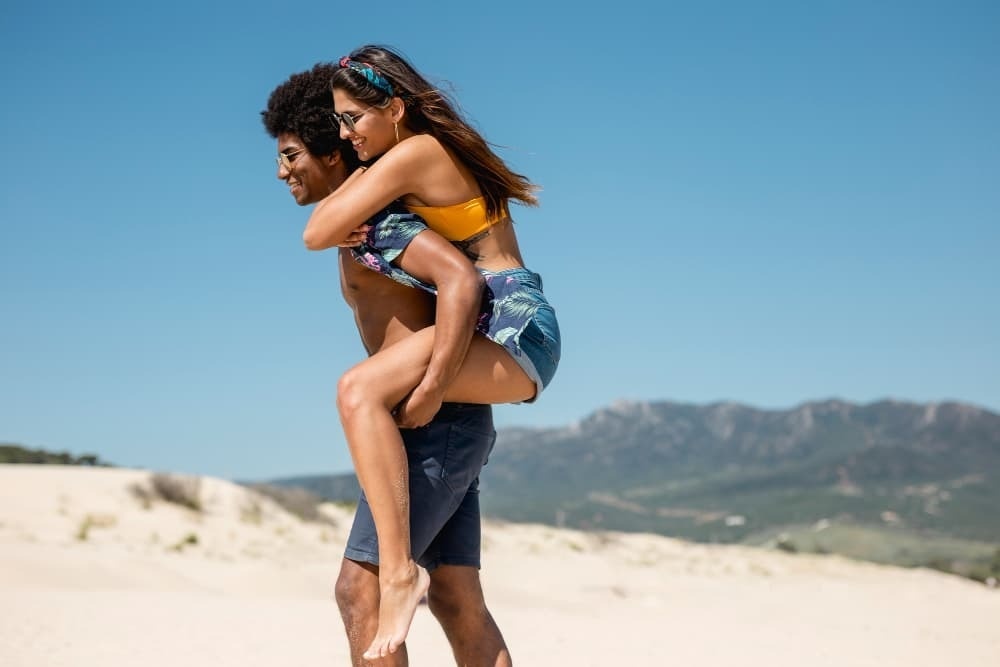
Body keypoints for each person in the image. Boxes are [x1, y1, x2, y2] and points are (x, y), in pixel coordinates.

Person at [302, 45, 561, 660]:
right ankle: (401, 573)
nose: (346, 133)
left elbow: (316, 231)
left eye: (354, 118)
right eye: (337, 122)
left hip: (511, 323)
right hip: (514, 323)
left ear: (394, 108)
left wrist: (435, 384)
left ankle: (396, 572)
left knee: (358, 389)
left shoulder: (415, 152)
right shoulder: (417, 154)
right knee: (456, 596)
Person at [262, 63, 512, 666]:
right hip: (445, 418)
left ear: (330, 154)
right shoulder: (370, 221)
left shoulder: (380, 222)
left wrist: (430, 389)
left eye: (292, 154)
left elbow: (459, 281)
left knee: (360, 589)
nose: (281, 171)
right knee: (455, 597)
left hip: (438, 419)